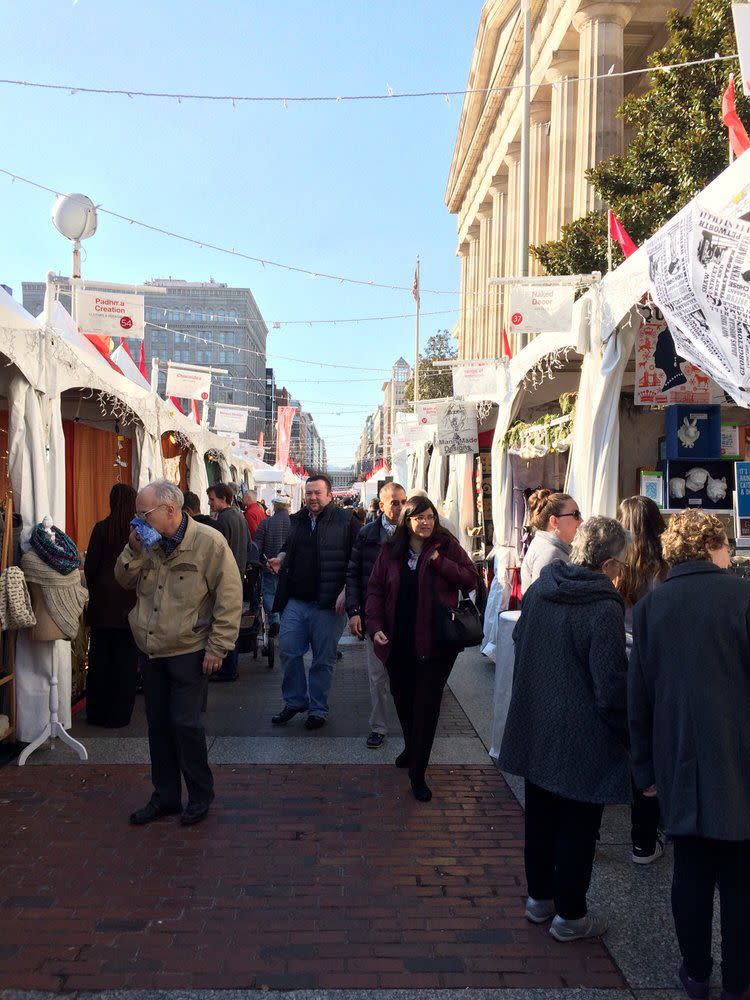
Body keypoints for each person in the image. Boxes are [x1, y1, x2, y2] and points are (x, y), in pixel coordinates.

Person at [629, 511, 750, 1000]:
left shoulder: (650, 608)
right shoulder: (742, 596)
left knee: (691, 871)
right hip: (739, 757)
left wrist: (643, 768)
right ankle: (739, 982)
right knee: (741, 879)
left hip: (676, 756)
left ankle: (696, 972)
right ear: (715, 547)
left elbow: (639, 697)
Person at [499, 516, 630, 941]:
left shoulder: (541, 589)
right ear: (609, 563)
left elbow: (519, 642)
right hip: (581, 732)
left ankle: (540, 899)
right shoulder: (603, 607)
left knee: (539, 816)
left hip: (537, 721)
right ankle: (571, 915)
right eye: (620, 564)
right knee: (578, 823)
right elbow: (610, 686)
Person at [115, 479, 242, 827]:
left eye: (144, 514)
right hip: (151, 650)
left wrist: (219, 647)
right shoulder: (148, 543)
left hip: (189, 649)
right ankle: (166, 796)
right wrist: (133, 549)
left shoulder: (208, 542)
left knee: (185, 724)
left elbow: (229, 598)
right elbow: (123, 580)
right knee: (158, 726)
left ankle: (201, 793)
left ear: (170, 510)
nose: (137, 520)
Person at [365, 494, 479, 802]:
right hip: (397, 640)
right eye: (419, 518)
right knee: (403, 700)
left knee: (427, 707)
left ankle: (418, 772)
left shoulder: (447, 545)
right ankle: (411, 748)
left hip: (437, 643)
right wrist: (374, 626)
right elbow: (375, 589)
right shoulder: (391, 550)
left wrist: (440, 563)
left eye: (429, 516)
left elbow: (472, 578)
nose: (425, 522)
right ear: (408, 521)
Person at [268, 474, 360, 730]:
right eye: (309, 493)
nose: (312, 497)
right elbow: (289, 547)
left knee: (322, 659)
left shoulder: (346, 521)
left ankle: (317, 709)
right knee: (287, 649)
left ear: (330, 495)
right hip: (296, 600)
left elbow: (357, 559)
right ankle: (296, 700)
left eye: (318, 493)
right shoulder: (296, 519)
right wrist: (281, 557)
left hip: (329, 604)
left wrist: (347, 590)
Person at [616, 495, 668, 866]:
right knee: (651, 749)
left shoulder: (617, 566)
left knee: (631, 744)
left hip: (620, 661)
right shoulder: (665, 569)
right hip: (656, 666)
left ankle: (641, 840)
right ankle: (647, 837)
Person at [346, 482, 408, 749]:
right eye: (394, 502)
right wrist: (354, 611)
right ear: (381, 505)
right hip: (377, 616)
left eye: (403, 501)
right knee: (377, 675)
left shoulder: (414, 532)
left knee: (406, 676)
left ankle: (410, 727)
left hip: (407, 615)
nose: (400, 507)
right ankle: (379, 727)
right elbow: (354, 573)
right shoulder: (367, 534)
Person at [83, 483, 138, 728]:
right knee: (125, 663)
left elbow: (91, 567)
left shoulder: (102, 528)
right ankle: (119, 714)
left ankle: (97, 712)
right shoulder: (137, 531)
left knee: (100, 660)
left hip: (103, 605)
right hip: (129, 603)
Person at [207, 483, 250, 682]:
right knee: (232, 621)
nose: (209, 502)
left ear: (223, 498)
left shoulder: (223, 520)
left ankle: (228, 668)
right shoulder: (239, 516)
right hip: (238, 576)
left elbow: (216, 553)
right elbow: (249, 545)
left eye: (212, 499)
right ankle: (231, 666)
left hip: (226, 578)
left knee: (223, 622)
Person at [520, 490, 581, 595]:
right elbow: (543, 602)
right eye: (576, 514)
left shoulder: (547, 546)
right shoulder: (549, 553)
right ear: (554, 521)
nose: (581, 520)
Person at [254, 493, 292, 638]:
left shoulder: (266, 522)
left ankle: (274, 620)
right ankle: (285, 622)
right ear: (287, 507)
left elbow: (257, 544)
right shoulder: (292, 523)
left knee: (269, 593)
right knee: (286, 595)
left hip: (269, 564)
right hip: (287, 567)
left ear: (275, 507)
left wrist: (259, 561)